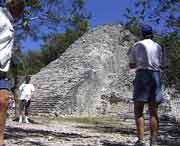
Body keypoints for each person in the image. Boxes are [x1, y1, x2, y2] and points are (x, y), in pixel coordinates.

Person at [127, 24, 166, 146]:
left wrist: (139, 63)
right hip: (155, 75)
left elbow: (132, 65)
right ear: (152, 34)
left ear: (142, 34)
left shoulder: (136, 45)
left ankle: (141, 140)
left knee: (138, 109)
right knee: (153, 111)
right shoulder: (158, 46)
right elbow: (162, 64)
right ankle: (153, 141)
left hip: (142, 74)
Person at [0, 0, 24, 145]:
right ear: (15, 6)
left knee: (3, 102)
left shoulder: (9, 22)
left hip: (2, 70)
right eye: (22, 9)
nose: (22, 14)